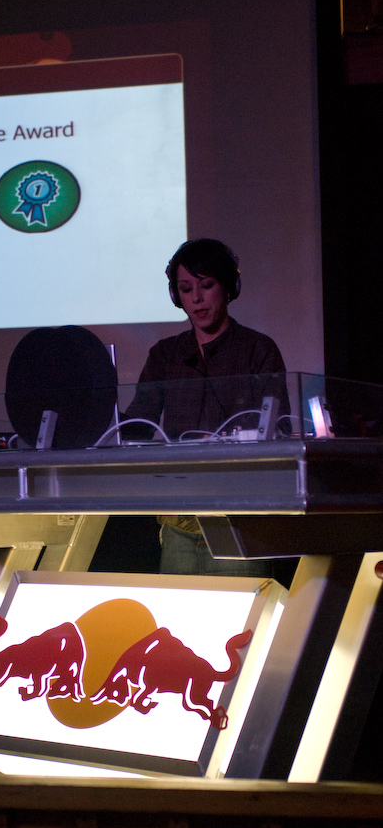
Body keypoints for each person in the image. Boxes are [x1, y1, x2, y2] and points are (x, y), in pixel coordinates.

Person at [126, 238, 287, 577]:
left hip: (240, 524)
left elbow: (277, 431)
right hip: (179, 523)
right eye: (186, 289)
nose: (196, 298)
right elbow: (137, 424)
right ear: (176, 296)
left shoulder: (258, 350)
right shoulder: (165, 355)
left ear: (229, 287)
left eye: (207, 285)